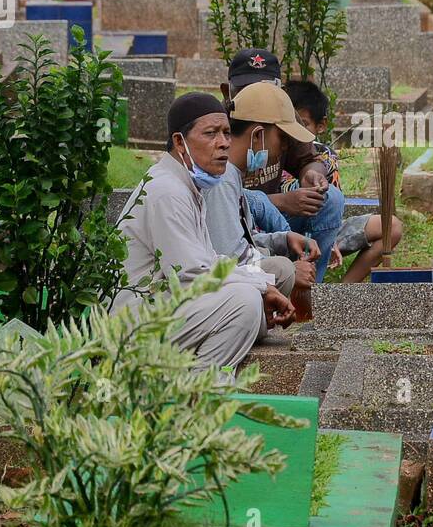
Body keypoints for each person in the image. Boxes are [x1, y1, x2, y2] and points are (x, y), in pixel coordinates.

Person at [112, 93, 295, 369]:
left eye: (226, 133)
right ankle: (198, 388)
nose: (223, 143)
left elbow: (209, 260)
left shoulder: (188, 186)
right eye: (210, 133)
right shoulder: (168, 191)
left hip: (166, 304)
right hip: (136, 320)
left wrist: (264, 286)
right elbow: (191, 272)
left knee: (256, 304)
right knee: (245, 303)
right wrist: (257, 287)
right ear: (179, 142)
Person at [220, 49, 346, 282]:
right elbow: (225, 252)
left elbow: (309, 160)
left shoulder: (280, 118)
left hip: (256, 221)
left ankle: (307, 288)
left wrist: (312, 175)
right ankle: (293, 280)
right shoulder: (216, 135)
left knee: (331, 199)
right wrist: (283, 203)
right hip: (238, 224)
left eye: (268, 90)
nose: (260, 98)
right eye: (250, 90)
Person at [204, 82, 322, 298]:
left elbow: (241, 242)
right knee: (283, 270)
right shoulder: (222, 180)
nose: (285, 148)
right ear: (257, 135)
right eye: (283, 139)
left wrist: (284, 238)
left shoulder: (231, 176)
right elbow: (229, 259)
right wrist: (292, 271)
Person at [283, 80, 404, 283]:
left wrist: (330, 240)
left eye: (303, 124)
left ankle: (342, 291)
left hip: (323, 231)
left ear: (320, 126)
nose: (296, 131)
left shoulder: (324, 155)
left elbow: (332, 204)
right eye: (290, 122)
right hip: (284, 231)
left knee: (391, 226)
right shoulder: (275, 150)